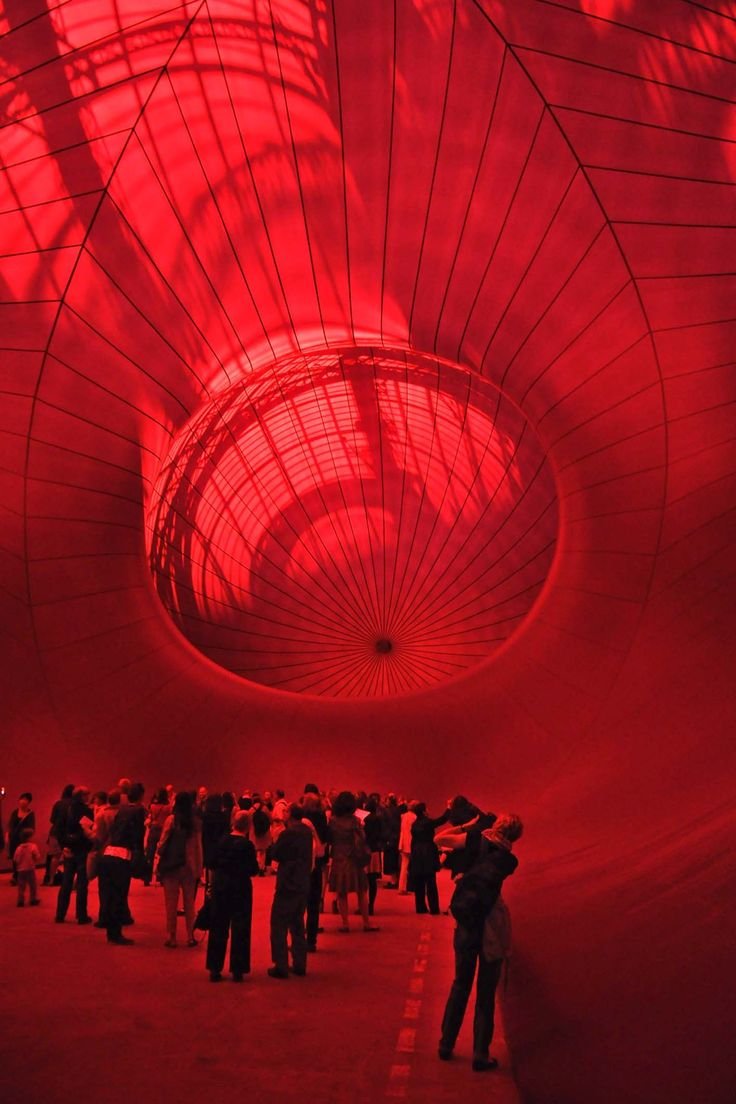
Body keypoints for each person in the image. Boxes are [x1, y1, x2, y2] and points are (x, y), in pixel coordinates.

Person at [438, 813, 523, 1072]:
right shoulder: (510, 861)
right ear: (516, 837)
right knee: (486, 993)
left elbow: (439, 838)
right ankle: (480, 1053)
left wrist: (468, 825)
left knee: (460, 984)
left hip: (465, 922)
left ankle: (446, 1044)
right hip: (491, 926)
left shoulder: (475, 840)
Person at [206, 810, 259, 982]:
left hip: (221, 886)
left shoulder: (221, 841)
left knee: (218, 926)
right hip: (241, 887)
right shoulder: (247, 845)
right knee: (241, 927)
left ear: (233, 823)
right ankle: (238, 968)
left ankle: (215, 967)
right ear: (248, 826)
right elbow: (253, 869)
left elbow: (211, 862)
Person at [267, 804, 313, 978]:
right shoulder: (307, 832)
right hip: (302, 882)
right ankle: (300, 963)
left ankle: (281, 965)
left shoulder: (288, 834)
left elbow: (276, 854)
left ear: (291, 815)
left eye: (286, 812)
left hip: (288, 883)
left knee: (278, 925)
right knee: (298, 924)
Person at [326, 791, 379, 933]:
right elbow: (362, 838)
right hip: (353, 859)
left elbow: (329, 839)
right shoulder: (355, 821)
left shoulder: (333, 821)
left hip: (338, 858)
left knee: (341, 893)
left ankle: (345, 923)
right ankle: (366, 922)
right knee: (361, 892)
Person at [157, 791, 203, 947]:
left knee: (171, 902)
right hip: (189, 867)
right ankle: (190, 936)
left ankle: (171, 936)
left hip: (172, 865)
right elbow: (198, 848)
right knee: (189, 903)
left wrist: (159, 852)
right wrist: (199, 868)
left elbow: (162, 842)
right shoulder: (195, 823)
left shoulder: (172, 820)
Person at [55, 787, 94, 924]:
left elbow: (58, 829)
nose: (88, 797)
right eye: (87, 794)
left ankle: (60, 914)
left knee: (66, 882)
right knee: (82, 883)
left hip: (68, 849)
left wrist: (64, 846)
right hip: (82, 849)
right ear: (82, 796)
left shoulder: (65, 808)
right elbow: (87, 831)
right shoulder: (86, 811)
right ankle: (81, 915)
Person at [300, 787, 329, 952]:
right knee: (313, 903)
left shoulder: (301, 817)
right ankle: (312, 940)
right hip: (316, 863)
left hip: (302, 862)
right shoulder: (321, 816)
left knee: (300, 904)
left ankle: (300, 937)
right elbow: (325, 837)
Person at [409, 802, 449, 915]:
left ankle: (420, 907)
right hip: (428, 852)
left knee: (419, 882)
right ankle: (434, 908)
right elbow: (442, 820)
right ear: (424, 811)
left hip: (417, 853)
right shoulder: (428, 822)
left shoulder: (415, 824)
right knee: (431, 882)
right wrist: (449, 808)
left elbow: (413, 841)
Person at [43, 784, 73, 886]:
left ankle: (51, 879)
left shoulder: (58, 803)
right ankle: (68, 879)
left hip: (55, 832)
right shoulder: (74, 804)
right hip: (68, 833)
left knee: (55, 857)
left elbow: (52, 820)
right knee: (68, 857)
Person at [7, 793, 35, 886]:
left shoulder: (30, 814)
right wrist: (8, 834)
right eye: (21, 799)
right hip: (14, 838)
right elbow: (11, 825)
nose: (23, 801)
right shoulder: (15, 812)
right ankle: (15, 875)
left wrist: (26, 834)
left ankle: (22, 876)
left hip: (24, 839)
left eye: (25, 799)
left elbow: (32, 827)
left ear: (29, 802)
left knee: (25, 857)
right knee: (15, 857)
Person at [363, 797, 384, 916]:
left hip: (365, 850)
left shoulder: (363, 819)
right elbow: (381, 834)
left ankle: (364, 905)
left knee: (364, 880)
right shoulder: (378, 819)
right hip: (375, 850)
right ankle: (371, 905)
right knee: (373, 880)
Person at [14, 827, 41, 907]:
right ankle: (33, 899)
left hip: (21, 870)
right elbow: (37, 856)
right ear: (29, 837)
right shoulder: (33, 846)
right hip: (30, 868)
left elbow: (16, 859)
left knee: (21, 886)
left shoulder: (18, 848)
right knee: (32, 885)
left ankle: (20, 900)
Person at [398, 800, 417, 895]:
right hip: (412, 844)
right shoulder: (415, 818)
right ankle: (414, 886)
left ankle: (402, 887)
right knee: (416, 866)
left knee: (404, 866)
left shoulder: (403, 816)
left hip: (403, 843)